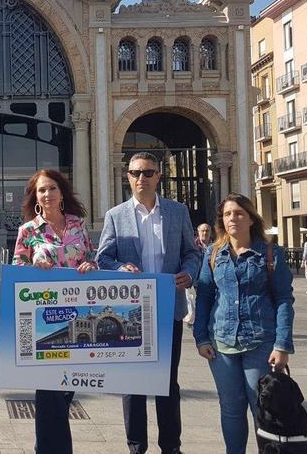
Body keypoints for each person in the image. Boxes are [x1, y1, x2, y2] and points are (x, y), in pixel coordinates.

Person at [95, 152, 201, 454]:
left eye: (148, 172)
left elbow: (192, 252)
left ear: (158, 176)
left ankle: (171, 447)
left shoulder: (177, 212)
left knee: (168, 383)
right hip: (131, 313)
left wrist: (189, 274)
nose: (141, 178)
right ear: (127, 176)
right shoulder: (116, 215)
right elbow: (103, 257)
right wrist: (119, 269)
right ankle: (136, 447)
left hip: (168, 307)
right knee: (133, 383)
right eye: (135, 173)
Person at [193, 193, 295, 454]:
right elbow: (204, 296)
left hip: (260, 341)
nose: (233, 218)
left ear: (251, 218)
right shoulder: (213, 254)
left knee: (261, 406)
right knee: (230, 406)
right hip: (221, 341)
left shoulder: (271, 254)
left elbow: (284, 299)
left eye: (238, 213)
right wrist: (201, 338)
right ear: (221, 221)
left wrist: (282, 344)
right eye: (227, 214)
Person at [12, 169, 97, 454]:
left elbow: (89, 258)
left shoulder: (78, 226)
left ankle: (46, 448)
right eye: (41, 190)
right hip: (44, 323)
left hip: (78, 319)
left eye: (51, 189)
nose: (46, 194)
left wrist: (91, 266)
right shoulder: (28, 231)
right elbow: (17, 273)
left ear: (62, 192)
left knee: (65, 393)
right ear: (35, 197)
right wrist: (34, 267)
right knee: (49, 394)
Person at [184, 223, 211, 328]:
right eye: (202, 231)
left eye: (207, 231)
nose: (205, 233)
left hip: (210, 280)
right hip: (196, 280)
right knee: (195, 303)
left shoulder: (215, 245)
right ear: (198, 232)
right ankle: (196, 324)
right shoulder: (192, 246)